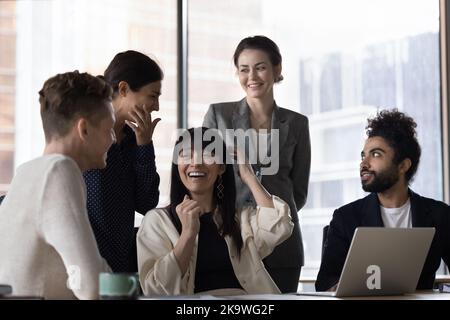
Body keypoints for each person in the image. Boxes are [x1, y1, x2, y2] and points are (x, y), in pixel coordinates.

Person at [203, 35, 311, 293]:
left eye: (260, 67)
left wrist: (270, 218)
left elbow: (298, 193)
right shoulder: (219, 115)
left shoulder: (296, 124)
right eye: (244, 69)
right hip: (230, 242)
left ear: (277, 69)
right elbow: (204, 178)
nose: (252, 76)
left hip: (282, 246)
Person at [137, 127, 294, 295]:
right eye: (185, 155)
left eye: (207, 154)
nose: (196, 163)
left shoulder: (239, 220)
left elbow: (280, 226)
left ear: (221, 167)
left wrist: (249, 176)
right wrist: (188, 235)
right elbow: (155, 290)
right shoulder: (157, 221)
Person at [0, 71, 114, 299]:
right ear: (84, 129)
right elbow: (91, 287)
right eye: (109, 128)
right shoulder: (59, 171)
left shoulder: (27, 172)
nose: (113, 138)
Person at [316, 109, 450, 291]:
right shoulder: (346, 217)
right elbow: (324, 283)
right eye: (363, 155)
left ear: (403, 165)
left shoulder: (439, 214)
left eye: (376, 154)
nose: (364, 164)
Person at [84, 50, 162, 273]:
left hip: (122, 264)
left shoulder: (134, 139)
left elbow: (147, 203)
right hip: (86, 261)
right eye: (152, 95)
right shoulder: (87, 132)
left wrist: (144, 146)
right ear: (124, 89)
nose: (156, 106)